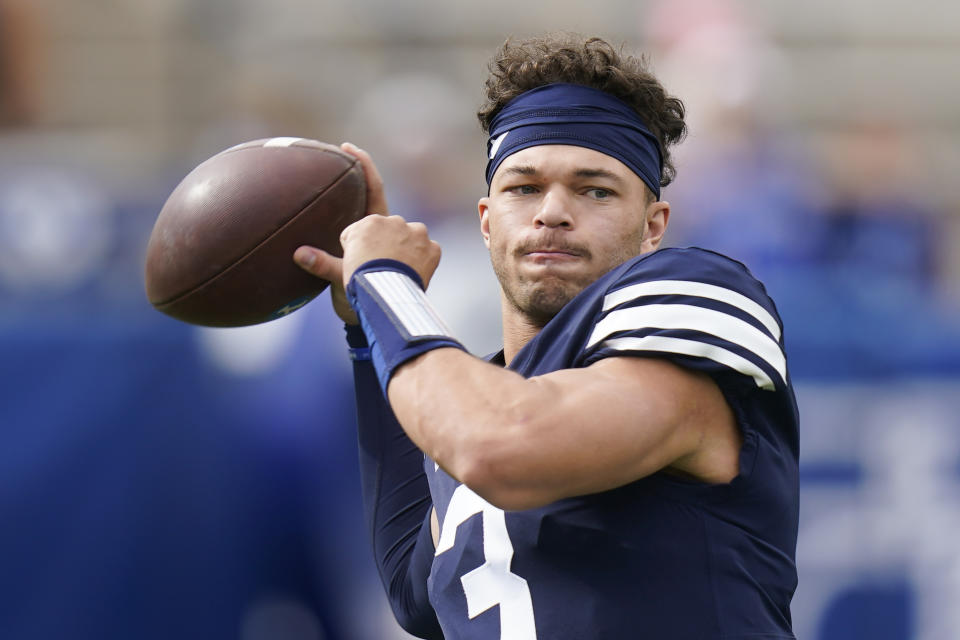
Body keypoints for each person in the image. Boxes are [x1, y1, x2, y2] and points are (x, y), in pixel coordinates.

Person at [294, 34, 799, 640]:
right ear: (486, 220)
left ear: (652, 227)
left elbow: (498, 447)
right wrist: (363, 328)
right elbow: (412, 587)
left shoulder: (697, 289)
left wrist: (386, 285)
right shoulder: (482, 394)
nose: (552, 211)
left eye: (595, 189)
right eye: (524, 188)